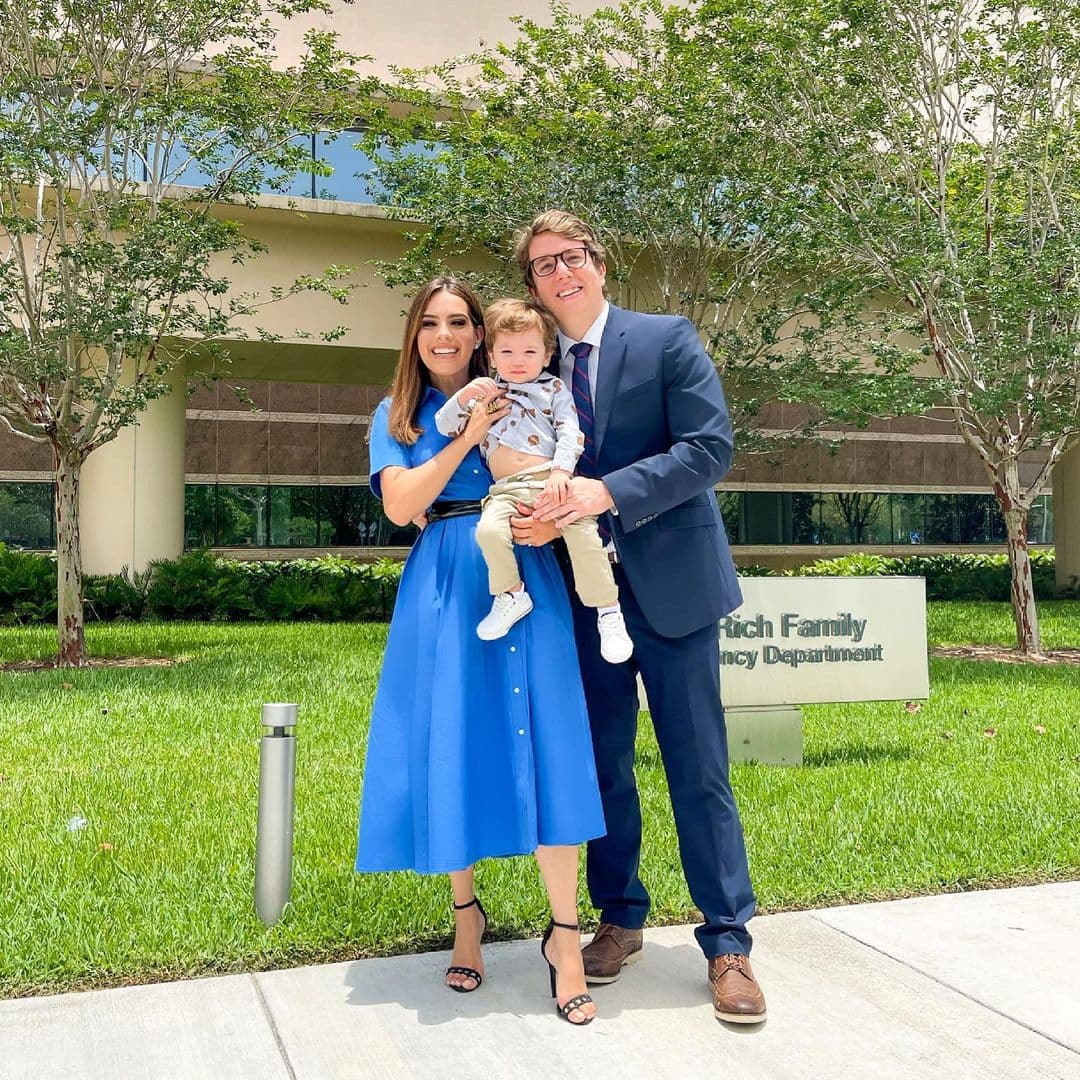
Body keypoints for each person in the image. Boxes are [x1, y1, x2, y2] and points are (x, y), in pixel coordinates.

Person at [509, 211, 767, 1024]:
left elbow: (708, 448)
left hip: (676, 588)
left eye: (571, 257)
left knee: (698, 767)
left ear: (599, 264)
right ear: (534, 290)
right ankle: (620, 917)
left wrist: (607, 490)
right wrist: (534, 511)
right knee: (603, 766)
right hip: (583, 598)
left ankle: (728, 941)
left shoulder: (666, 338)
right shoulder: (530, 369)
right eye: (543, 266)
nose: (560, 273)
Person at [354, 276, 605, 1026]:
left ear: (479, 333)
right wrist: (464, 435)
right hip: (442, 577)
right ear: (414, 334)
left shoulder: (532, 388)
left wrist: (552, 521)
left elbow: (561, 475)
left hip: (525, 565)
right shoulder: (398, 415)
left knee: (550, 738)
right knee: (452, 738)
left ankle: (565, 934)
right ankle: (468, 915)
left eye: (459, 321)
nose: (445, 334)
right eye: (430, 322)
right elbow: (402, 505)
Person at [434, 298, 633, 663]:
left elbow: (571, 431)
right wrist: (464, 397)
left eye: (529, 351)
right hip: (504, 490)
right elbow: (445, 426)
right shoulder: (486, 394)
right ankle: (511, 594)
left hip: (550, 480)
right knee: (489, 533)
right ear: (491, 356)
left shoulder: (554, 389)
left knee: (583, 535)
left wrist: (561, 471)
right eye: (507, 351)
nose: (518, 359)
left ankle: (608, 610)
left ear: (546, 356)